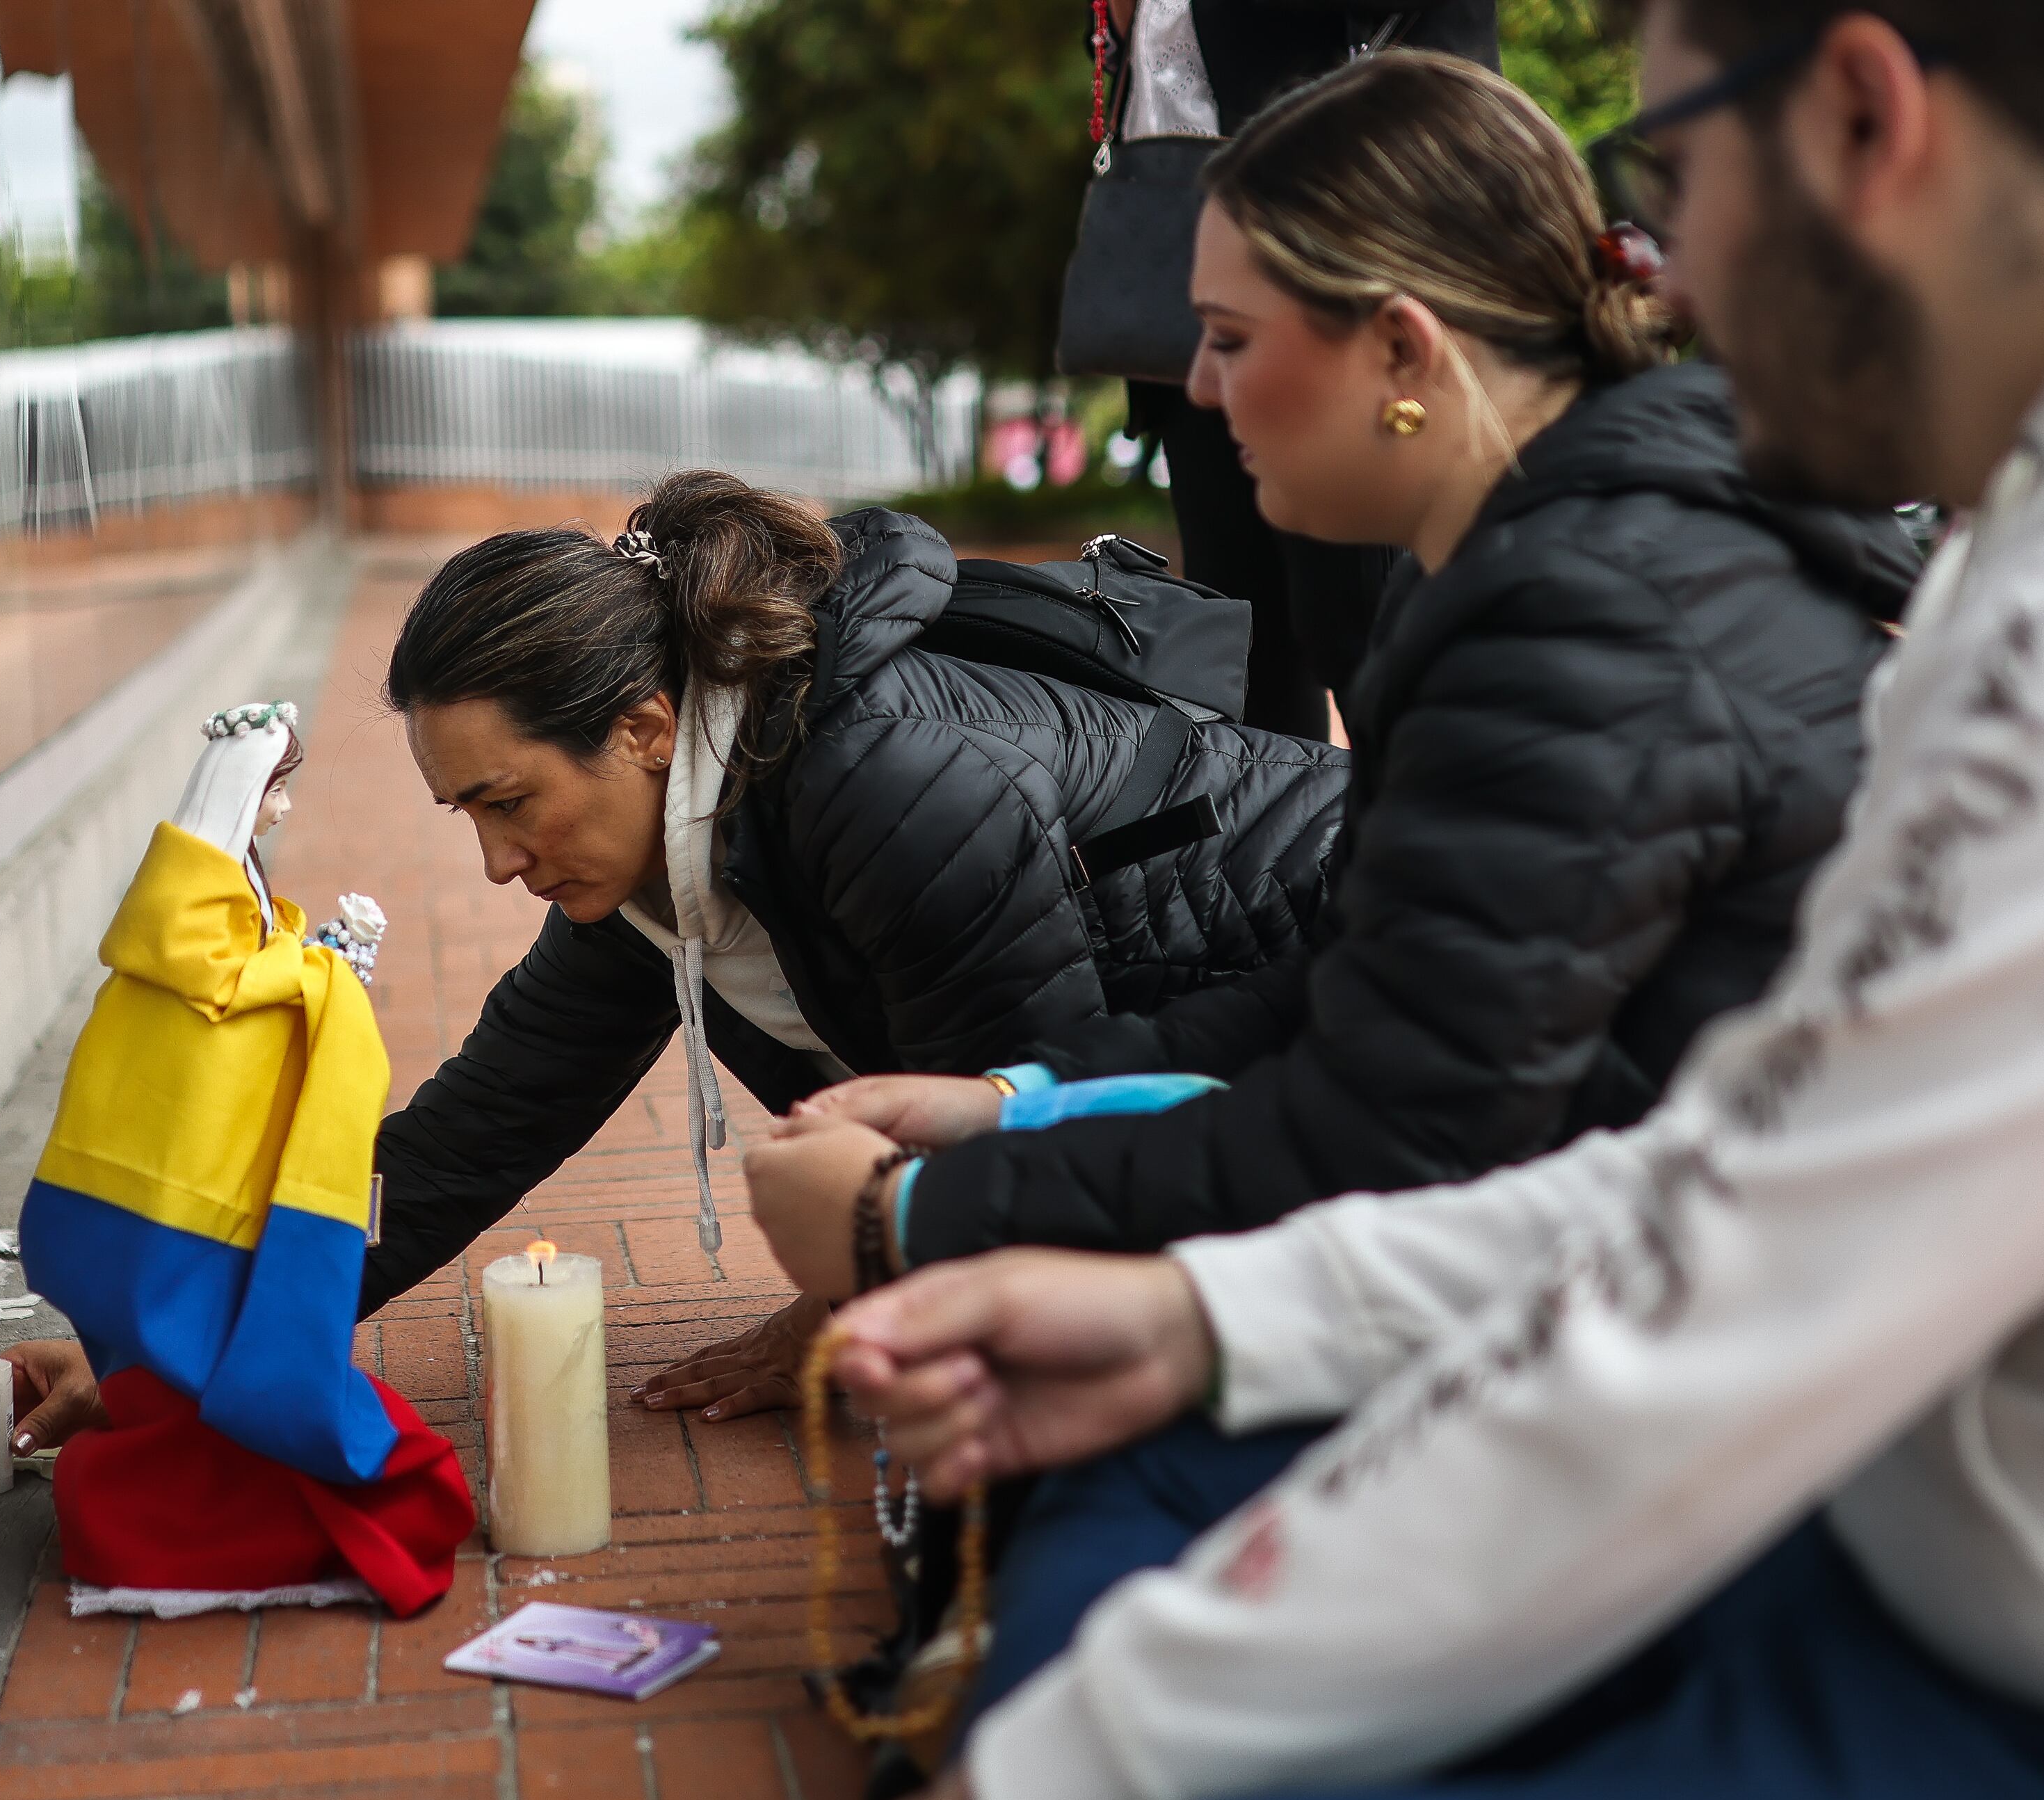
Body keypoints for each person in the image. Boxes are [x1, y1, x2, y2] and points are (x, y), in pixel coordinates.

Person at [164, 0, 2044, 1800]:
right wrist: (1188, 1310)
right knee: (1132, 1644)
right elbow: (1738, 1184)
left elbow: (1718, 1283)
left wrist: (1030, 1783)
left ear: (1859, 114)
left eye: (1663, 164)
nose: (1653, 261)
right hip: (1946, 1594)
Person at [743, 51, 1916, 1301]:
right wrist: (1014, 1100)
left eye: (1229, 338)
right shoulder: (1518, 561)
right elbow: (1371, 979)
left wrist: (914, 1218)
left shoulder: (1583, 616)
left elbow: (1397, 1132)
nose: (1195, 386)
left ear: (1403, 352)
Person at [4, 472, 1353, 1446]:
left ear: (647, 726)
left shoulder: (879, 782)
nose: (495, 860)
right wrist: (163, 1358)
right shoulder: (665, 849)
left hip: (1354, 992)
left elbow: (1033, 1130)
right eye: (464, 813)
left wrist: (857, 1277)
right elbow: (472, 1134)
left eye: (508, 799)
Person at [1093, 0, 1503, 737]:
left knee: (1364, 626)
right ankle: (1293, 849)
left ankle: (1454, 834)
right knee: (1239, 652)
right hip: (1185, 272)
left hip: (1341, 248)